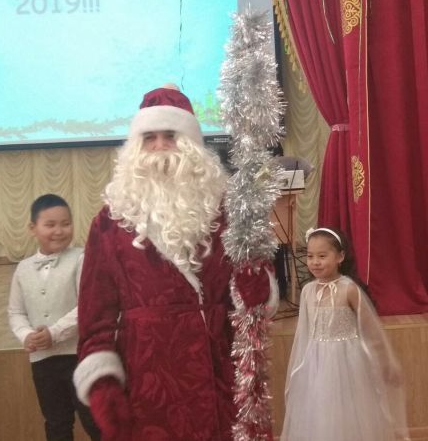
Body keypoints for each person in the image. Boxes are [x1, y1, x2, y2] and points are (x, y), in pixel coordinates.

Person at [72, 85, 277, 441]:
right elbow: (95, 317)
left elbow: (257, 307)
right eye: (149, 138)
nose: (160, 146)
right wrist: (104, 387)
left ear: (191, 145)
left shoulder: (228, 214)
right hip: (147, 384)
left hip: (221, 380)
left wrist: (253, 281)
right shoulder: (110, 222)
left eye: (170, 135)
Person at [281, 227, 409, 441]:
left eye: (322, 256)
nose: (315, 262)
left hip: (349, 361)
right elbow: (304, 332)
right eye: (310, 256)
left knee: (349, 410)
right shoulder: (307, 292)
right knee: (322, 409)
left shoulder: (348, 289)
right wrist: (301, 365)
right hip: (316, 363)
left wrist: (386, 362)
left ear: (340, 257)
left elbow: (371, 330)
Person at [8, 194, 100, 441]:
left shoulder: (83, 258)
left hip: (80, 355)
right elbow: (16, 312)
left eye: (65, 224)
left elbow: (88, 305)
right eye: (50, 225)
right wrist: (27, 336)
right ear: (33, 228)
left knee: (95, 421)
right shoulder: (23, 268)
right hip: (43, 360)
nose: (59, 231)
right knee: (56, 422)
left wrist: (54, 332)